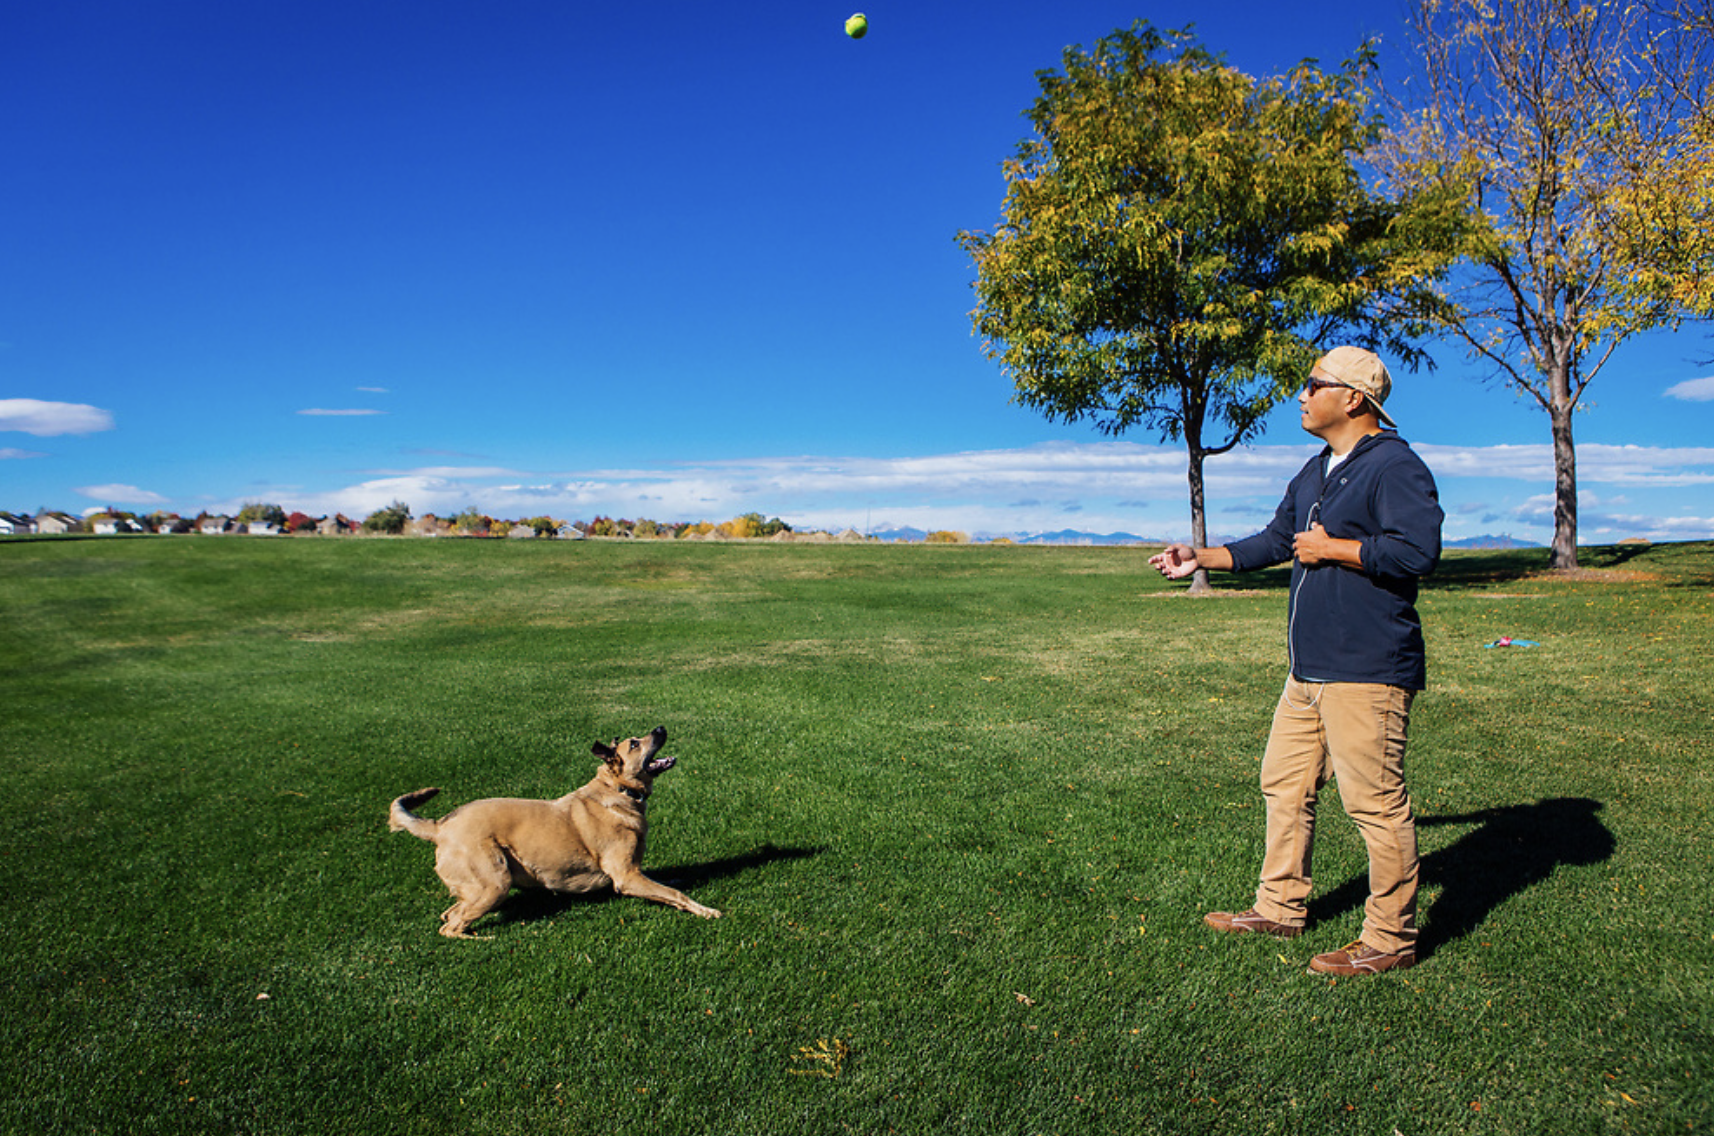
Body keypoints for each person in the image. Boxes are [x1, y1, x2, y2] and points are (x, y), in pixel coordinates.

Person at [1148, 346, 1443, 976]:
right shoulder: (1316, 470)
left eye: (1314, 385)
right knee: (1283, 784)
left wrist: (1336, 548)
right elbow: (1277, 540)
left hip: (1367, 668)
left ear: (1353, 399)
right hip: (1307, 670)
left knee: (1375, 805)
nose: (1302, 395)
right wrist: (1200, 556)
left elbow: (1418, 551)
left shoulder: (1394, 466)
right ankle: (1280, 906)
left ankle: (1391, 938)